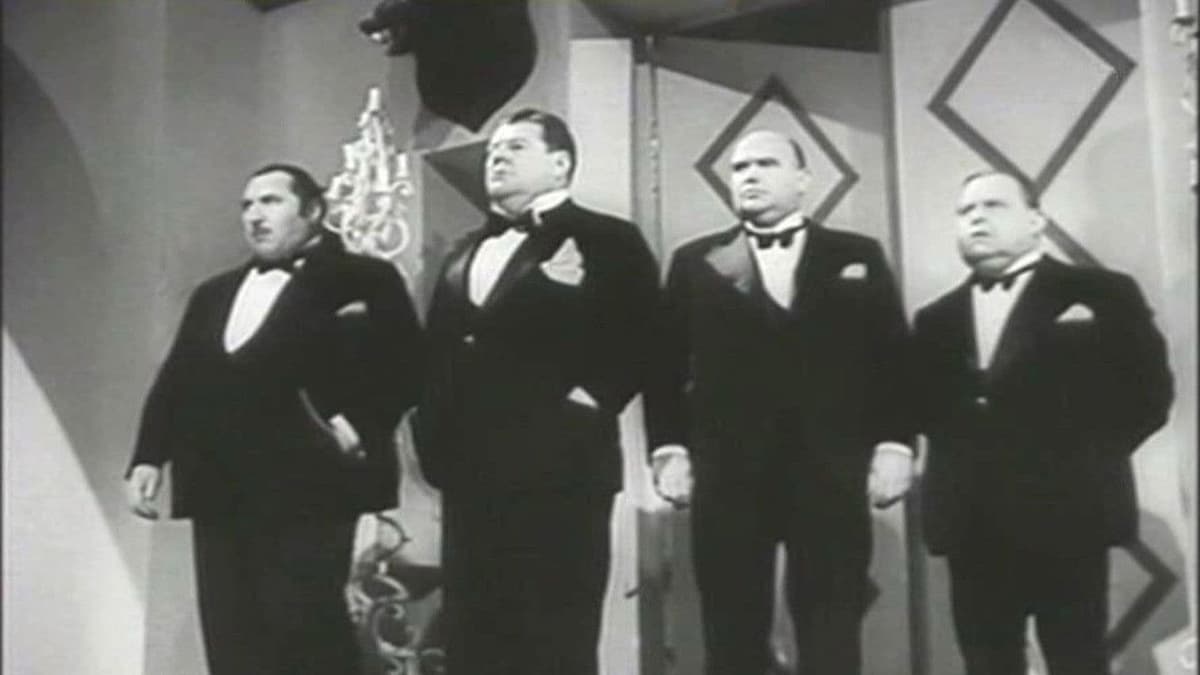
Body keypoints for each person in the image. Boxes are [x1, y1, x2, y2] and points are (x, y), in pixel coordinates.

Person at [125, 163, 423, 675]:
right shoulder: (214, 293)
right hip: (220, 488)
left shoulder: (364, 278)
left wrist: (357, 426)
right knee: (232, 637)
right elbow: (177, 378)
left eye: (270, 201)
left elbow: (409, 367)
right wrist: (149, 457)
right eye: (247, 205)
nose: (254, 216)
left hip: (312, 485)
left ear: (313, 211)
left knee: (306, 635)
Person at [645, 129, 915, 674]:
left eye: (766, 164)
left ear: (802, 180)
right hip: (728, 475)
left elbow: (893, 359)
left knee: (832, 629)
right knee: (731, 632)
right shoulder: (695, 262)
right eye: (740, 167)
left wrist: (895, 444)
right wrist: (669, 449)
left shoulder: (857, 256)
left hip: (830, 471)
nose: (749, 175)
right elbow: (663, 368)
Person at [415, 108, 658, 674]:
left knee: (555, 640)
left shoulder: (608, 238)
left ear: (560, 164)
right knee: (473, 638)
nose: (496, 157)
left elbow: (645, 335)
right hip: (470, 476)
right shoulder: (462, 251)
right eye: (493, 149)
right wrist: (431, 433)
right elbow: (437, 352)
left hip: (561, 473)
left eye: (516, 147)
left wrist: (587, 404)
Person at [912, 170, 1173, 675]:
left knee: (1077, 660)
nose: (976, 219)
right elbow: (925, 412)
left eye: (993, 206)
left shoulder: (1102, 293)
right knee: (986, 662)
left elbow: (1148, 395)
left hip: (1069, 518)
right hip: (972, 527)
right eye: (965, 211)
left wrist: (1081, 460)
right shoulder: (934, 319)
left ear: (1036, 220)